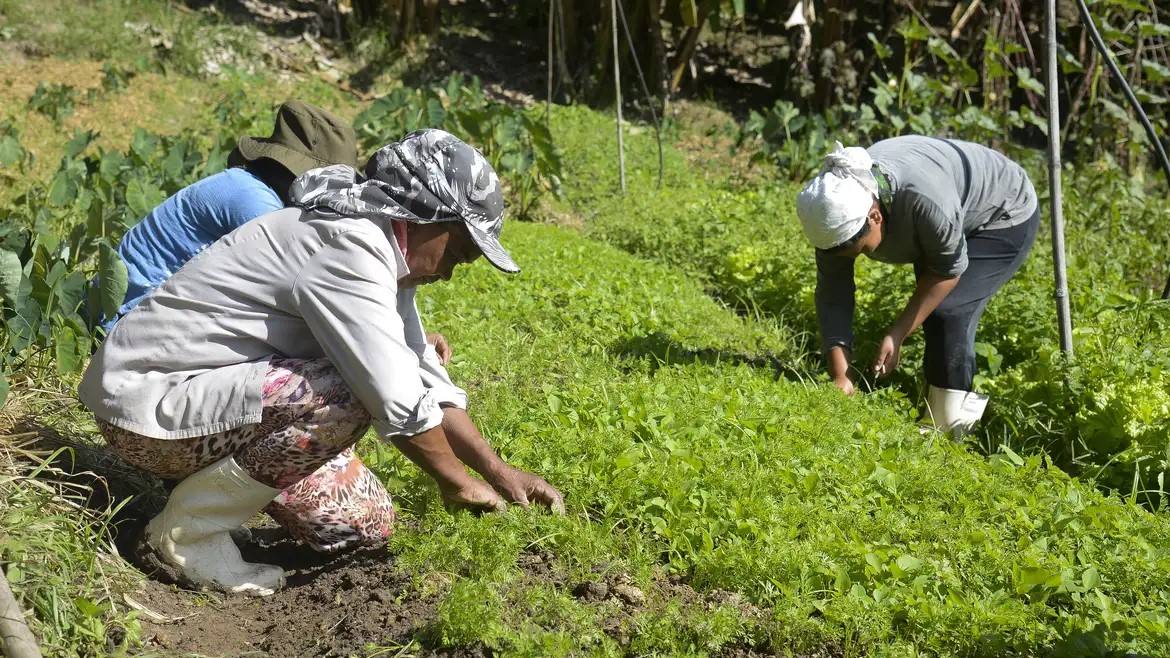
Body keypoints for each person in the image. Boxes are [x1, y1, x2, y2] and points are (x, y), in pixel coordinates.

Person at [79, 129, 564, 596]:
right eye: (456, 253)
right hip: (147, 409)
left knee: (360, 524)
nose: (449, 272)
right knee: (349, 393)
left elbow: (421, 372)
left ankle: (203, 503)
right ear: (420, 215)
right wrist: (457, 483)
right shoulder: (349, 246)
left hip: (203, 404)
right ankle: (185, 537)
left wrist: (499, 473)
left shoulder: (382, 250)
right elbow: (394, 397)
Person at [795, 136, 1039, 436]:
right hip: (945, 210)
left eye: (861, 249)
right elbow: (833, 291)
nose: (858, 257)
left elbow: (947, 270)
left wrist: (897, 334)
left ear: (875, 216)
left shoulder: (923, 199)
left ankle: (949, 428)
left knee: (949, 311)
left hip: (1002, 211)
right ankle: (937, 406)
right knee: (933, 309)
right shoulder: (831, 213)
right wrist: (841, 375)